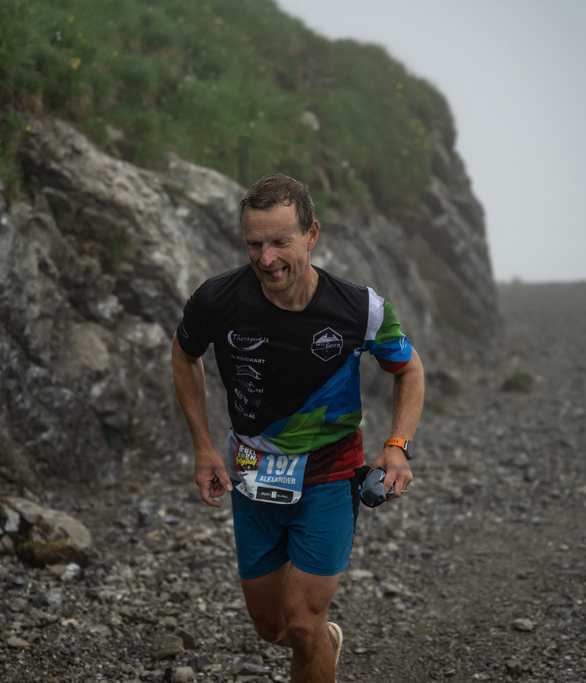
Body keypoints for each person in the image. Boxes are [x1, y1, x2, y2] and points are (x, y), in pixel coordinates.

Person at [171, 173, 424, 682]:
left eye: (280, 242)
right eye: (254, 244)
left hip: (330, 472)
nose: (266, 259)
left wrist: (397, 445)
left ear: (311, 235)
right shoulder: (217, 300)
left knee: (303, 625)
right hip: (251, 469)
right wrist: (203, 446)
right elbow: (184, 354)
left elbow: (409, 369)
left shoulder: (360, 309)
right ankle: (326, 643)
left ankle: (316, 640)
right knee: (272, 627)